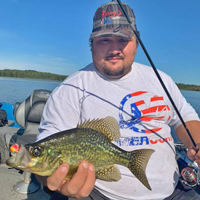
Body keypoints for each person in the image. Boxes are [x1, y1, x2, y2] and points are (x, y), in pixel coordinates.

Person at [36, 1, 200, 200]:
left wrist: (197, 142)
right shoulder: (68, 89)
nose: (114, 48)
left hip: (174, 191)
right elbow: (48, 149)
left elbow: (183, 116)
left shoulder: (161, 78)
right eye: (104, 40)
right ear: (91, 46)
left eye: (123, 39)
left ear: (137, 43)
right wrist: (51, 181)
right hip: (100, 194)